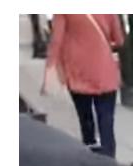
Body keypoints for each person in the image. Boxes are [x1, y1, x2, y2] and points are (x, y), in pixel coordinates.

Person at [42, 13, 125, 158]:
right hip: (104, 70)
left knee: (85, 120)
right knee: (106, 122)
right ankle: (109, 163)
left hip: (77, 71)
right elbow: (118, 39)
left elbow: (56, 40)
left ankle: (90, 157)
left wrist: (50, 67)